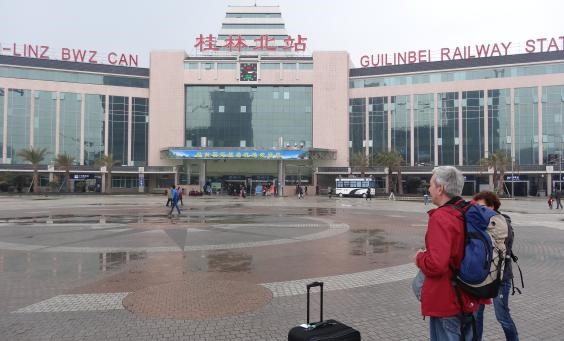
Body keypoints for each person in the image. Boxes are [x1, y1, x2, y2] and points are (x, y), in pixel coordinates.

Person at [415, 166, 485, 341]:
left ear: (440, 188)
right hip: (470, 297)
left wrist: (419, 257)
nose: (429, 189)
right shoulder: (469, 211)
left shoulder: (442, 217)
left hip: (447, 302)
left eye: (431, 184)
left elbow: (436, 265)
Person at [473, 191, 519, 341]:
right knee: (476, 315)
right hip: (481, 277)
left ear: (492, 206)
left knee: (502, 316)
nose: (478, 211)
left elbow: (504, 246)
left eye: (482, 207)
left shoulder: (504, 224)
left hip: (501, 277)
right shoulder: (478, 223)